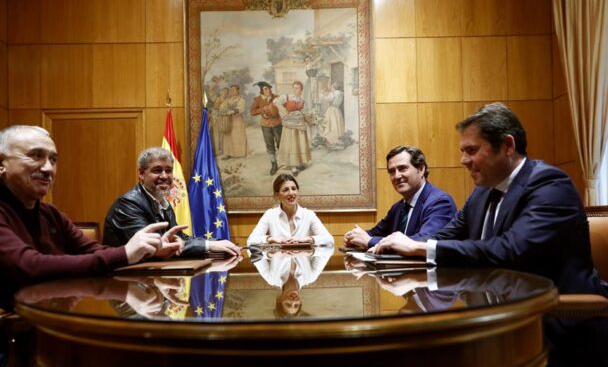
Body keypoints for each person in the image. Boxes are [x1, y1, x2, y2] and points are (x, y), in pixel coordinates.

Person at [372, 102, 608, 296]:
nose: (463, 160)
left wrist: (420, 247)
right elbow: (444, 235)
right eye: (463, 151)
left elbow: (510, 250)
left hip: (556, 319)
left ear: (507, 145)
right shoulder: (482, 191)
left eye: (471, 150)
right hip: (496, 310)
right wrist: (397, 247)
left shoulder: (551, 185)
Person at [0, 126, 185, 309]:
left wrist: (148, 250)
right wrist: (125, 253)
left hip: (48, 323)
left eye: (53, 160)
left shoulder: (48, 213)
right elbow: (28, 267)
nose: (48, 168)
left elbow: (96, 252)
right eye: (36, 156)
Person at [103, 147, 241, 257]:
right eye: (157, 170)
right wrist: (208, 246)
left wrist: (215, 243)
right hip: (122, 281)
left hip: (150, 275)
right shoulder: (128, 205)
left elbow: (178, 237)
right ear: (141, 173)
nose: (164, 176)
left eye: (168, 171)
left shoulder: (162, 202)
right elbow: (153, 247)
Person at [344, 145, 457, 250]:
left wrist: (370, 241)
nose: (397, 176)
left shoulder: (440, 202)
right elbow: (376, 232)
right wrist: (355, 237)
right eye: (392, 171)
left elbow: (424, 241)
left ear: (421, 169)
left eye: (402, 168)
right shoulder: (398, 207)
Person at [247, 174, 334, 246]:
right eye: (285, 190)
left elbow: (329, 240)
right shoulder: (270, 215)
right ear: (277, 196)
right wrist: (271, 239)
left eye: (294, 188)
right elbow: (251, 241)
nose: (291, 193)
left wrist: (307, 239)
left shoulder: (309, 215)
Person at [274, 81, 312, 176]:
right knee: (292, 144)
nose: (295, 90)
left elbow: (305, 112)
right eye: (294, 88)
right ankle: (293, 166)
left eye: (297, 88)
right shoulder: (287, 97)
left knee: (299, 144)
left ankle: (299, 163)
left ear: (301, 90)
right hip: (289, 125)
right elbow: (276, 101)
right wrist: (283, 111)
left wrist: (310, 120)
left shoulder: (302, 101)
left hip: (299, 125)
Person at [250, 81, 282, 175]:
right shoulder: (257, 99)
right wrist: (263, 110)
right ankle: (274, 164)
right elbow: (252, 112)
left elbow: (283, 108)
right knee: (269, 145)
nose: (268, 90)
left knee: (281, 143)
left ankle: (284, 161)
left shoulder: (276, 97)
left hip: (277, 123)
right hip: (266, 125)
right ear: (261, 90)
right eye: (266, 89)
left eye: (269, 88)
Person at [221, 85, 248, 160]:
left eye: (234, 90)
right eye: (231, 90)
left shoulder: (241, 99)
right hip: (228, 119)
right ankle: (228, 153)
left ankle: (239, 153)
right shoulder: (228, 99)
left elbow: (241, 108)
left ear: (237, 90)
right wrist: (224, 110)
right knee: (228, 135)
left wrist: (232, 111)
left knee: (237, 135)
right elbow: (223, 106)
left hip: (237, 119)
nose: (232, 91)